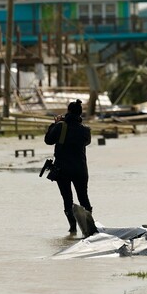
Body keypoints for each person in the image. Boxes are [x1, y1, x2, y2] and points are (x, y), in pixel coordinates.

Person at [44, 99, 97, 236]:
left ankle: (72, 228)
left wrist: (54, 125)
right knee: (83, 197)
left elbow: (48, 140)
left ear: (68, 111)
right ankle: (89, 226)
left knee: (67, 198)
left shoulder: (61, 126)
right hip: (80, 169)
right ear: (80, 113)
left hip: (63, 170)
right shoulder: (85, 130)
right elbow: (86, 142)